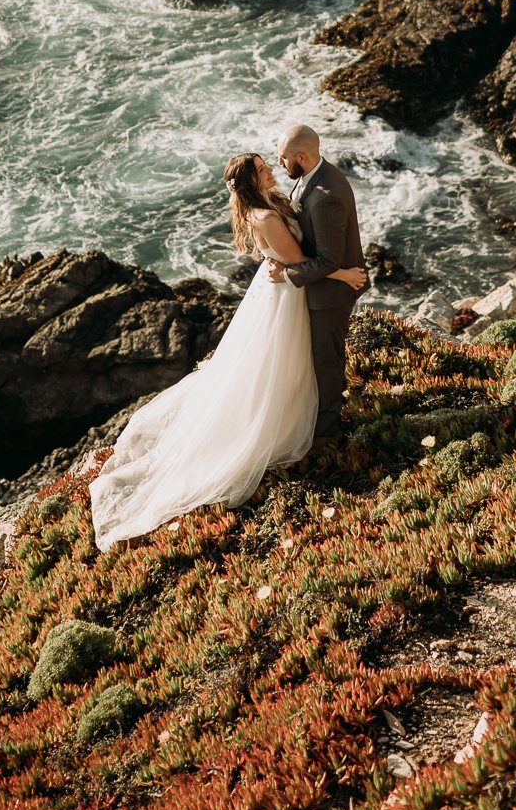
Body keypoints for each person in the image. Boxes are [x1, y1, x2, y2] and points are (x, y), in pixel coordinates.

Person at [88, 151, 367, 549]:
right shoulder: (267, 217)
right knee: (277, 365)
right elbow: (298, 263)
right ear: (252, 182)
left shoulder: (266, 205)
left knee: (273, 366)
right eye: (263, 169)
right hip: (283, 300)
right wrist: (343, 273)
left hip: (274, 294)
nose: (271, 169)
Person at [268, 124, 365, 453]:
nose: (279, 163)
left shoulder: (326, 198)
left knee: (326, 361)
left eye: (283, 158)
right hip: (321, 289)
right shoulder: (314, 178)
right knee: (317, 358)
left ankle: (327, 434)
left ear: (302, 156)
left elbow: (327, 260)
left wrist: (286, 274)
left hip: (330, 297)